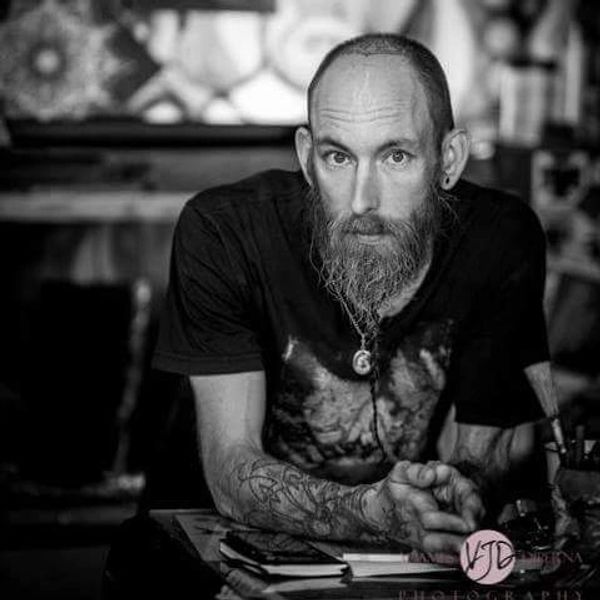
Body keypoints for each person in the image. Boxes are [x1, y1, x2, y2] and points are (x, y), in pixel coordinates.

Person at [153, 33, 553, 555]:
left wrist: (456, 497)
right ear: (306, 157)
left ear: (449, 159)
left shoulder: (500, 240)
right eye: (338, 158)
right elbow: (232, 469)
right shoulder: (225, 232)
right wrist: (371, 514)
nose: (363, 200)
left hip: (392, 556)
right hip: (201, 544)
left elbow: (484, 455)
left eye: (396, 157)